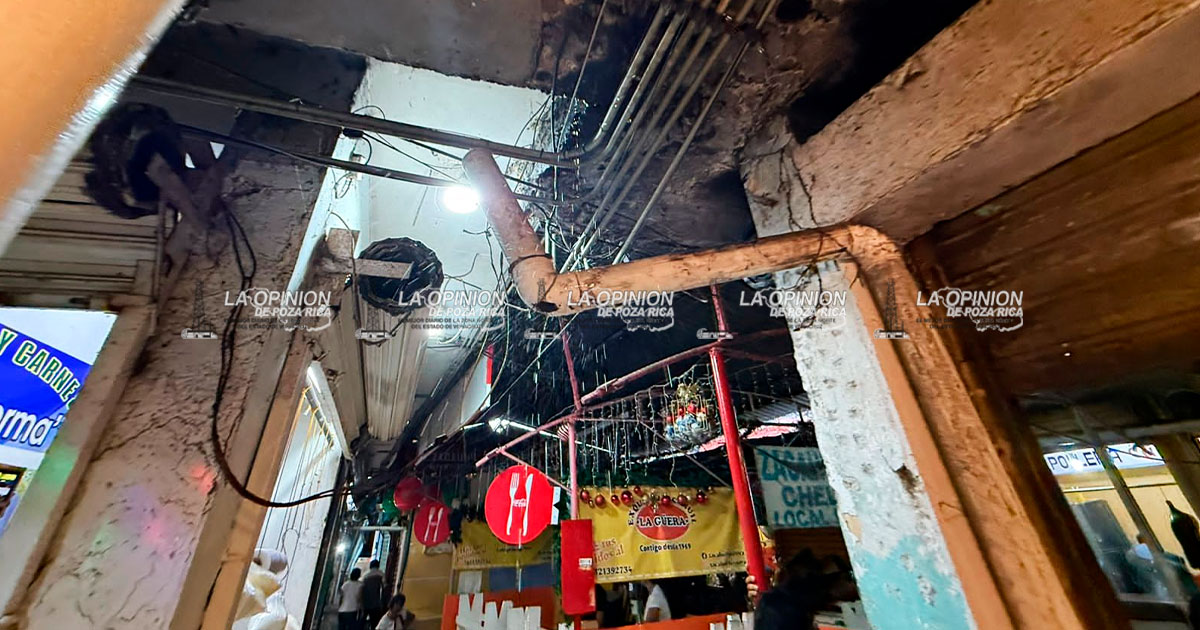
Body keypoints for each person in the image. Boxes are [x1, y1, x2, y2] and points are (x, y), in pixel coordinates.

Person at [362, 560, 386, 627]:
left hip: (365, 603)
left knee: (362, 623)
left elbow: (361, 588)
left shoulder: (365, 575)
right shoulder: (381, 574)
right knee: (374, 623)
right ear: (378, 566)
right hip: (376, 604)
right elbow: (384, 587)